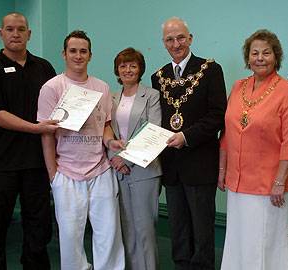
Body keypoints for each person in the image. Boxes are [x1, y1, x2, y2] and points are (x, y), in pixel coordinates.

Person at [37, 30, 125, 270]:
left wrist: (110, 143)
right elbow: (46, 133)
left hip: (100, 170)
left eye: (83, 51)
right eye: (73, 51)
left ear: (90, 55)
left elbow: (105, 126)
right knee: (70, 236)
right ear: (64, 54)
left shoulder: (103, 87)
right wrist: (53, 174)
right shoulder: (51, 88)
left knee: (108, 233)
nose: (78, 56)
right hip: (66, 172)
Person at [218, 29, 288, 270]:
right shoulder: (238, 87)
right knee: (237, 241)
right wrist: (222, 170)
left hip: (269, 186)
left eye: (266, 53)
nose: (260, 58)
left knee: (263, 244)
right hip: (237, 182)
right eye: (254, 53)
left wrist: (280, 181)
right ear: (247, 58)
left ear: (276, 56)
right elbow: (227, 133)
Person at [151, 17, 227, 269]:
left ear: (190, 38)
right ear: (163, 43)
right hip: (171, 166)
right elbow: (157, 122)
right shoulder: (158, 77)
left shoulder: (210, 70)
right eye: (170, 39)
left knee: (202, 229)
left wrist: (186, 136)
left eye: (181, 37)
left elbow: (217, 115)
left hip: (200, 163)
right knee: (178, 229)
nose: (176, 44)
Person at [0, 12, 58, 270]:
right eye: (10, 29)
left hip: (37, 163)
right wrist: (34, 128)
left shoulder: (44, 67)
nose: (15, 34)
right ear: (1, 33)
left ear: (29, 34)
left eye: (21, 29)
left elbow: (58, 108)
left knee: (38, 228)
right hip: (1, 163)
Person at [109, 47, 161, 270]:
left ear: (140, 69)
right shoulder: (110, 97)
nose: (127, 69)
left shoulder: (151, 95)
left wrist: (126, 159)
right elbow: (104, 130)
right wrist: (115, 158)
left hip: (144, 170)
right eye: (123, 65)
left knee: (145, 228)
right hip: (116, 170)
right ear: (117, 70)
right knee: (126, 227)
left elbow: (153, 131)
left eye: (133, 65)